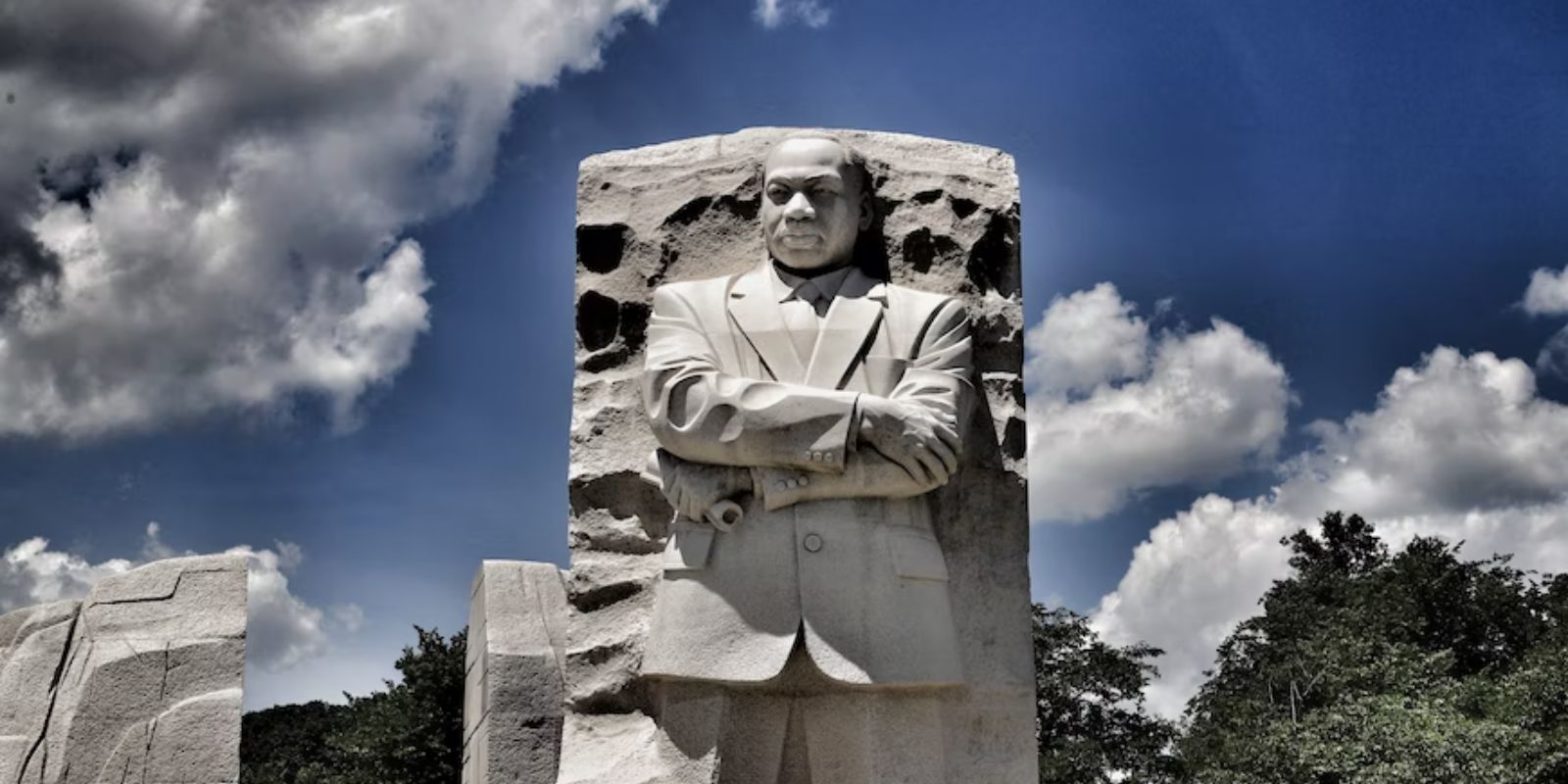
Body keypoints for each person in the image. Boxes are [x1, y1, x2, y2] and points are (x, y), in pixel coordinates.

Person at [638, 133, 974, 783]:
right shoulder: (690, 308)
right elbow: (686, 411)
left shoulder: (930, 318)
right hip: (718, 613)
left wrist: (760, 476)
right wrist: (864, 414)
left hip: (888, 627)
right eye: (779, 193)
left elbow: (926, 458)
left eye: (821, 193)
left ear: (865, 212)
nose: (797, 209)